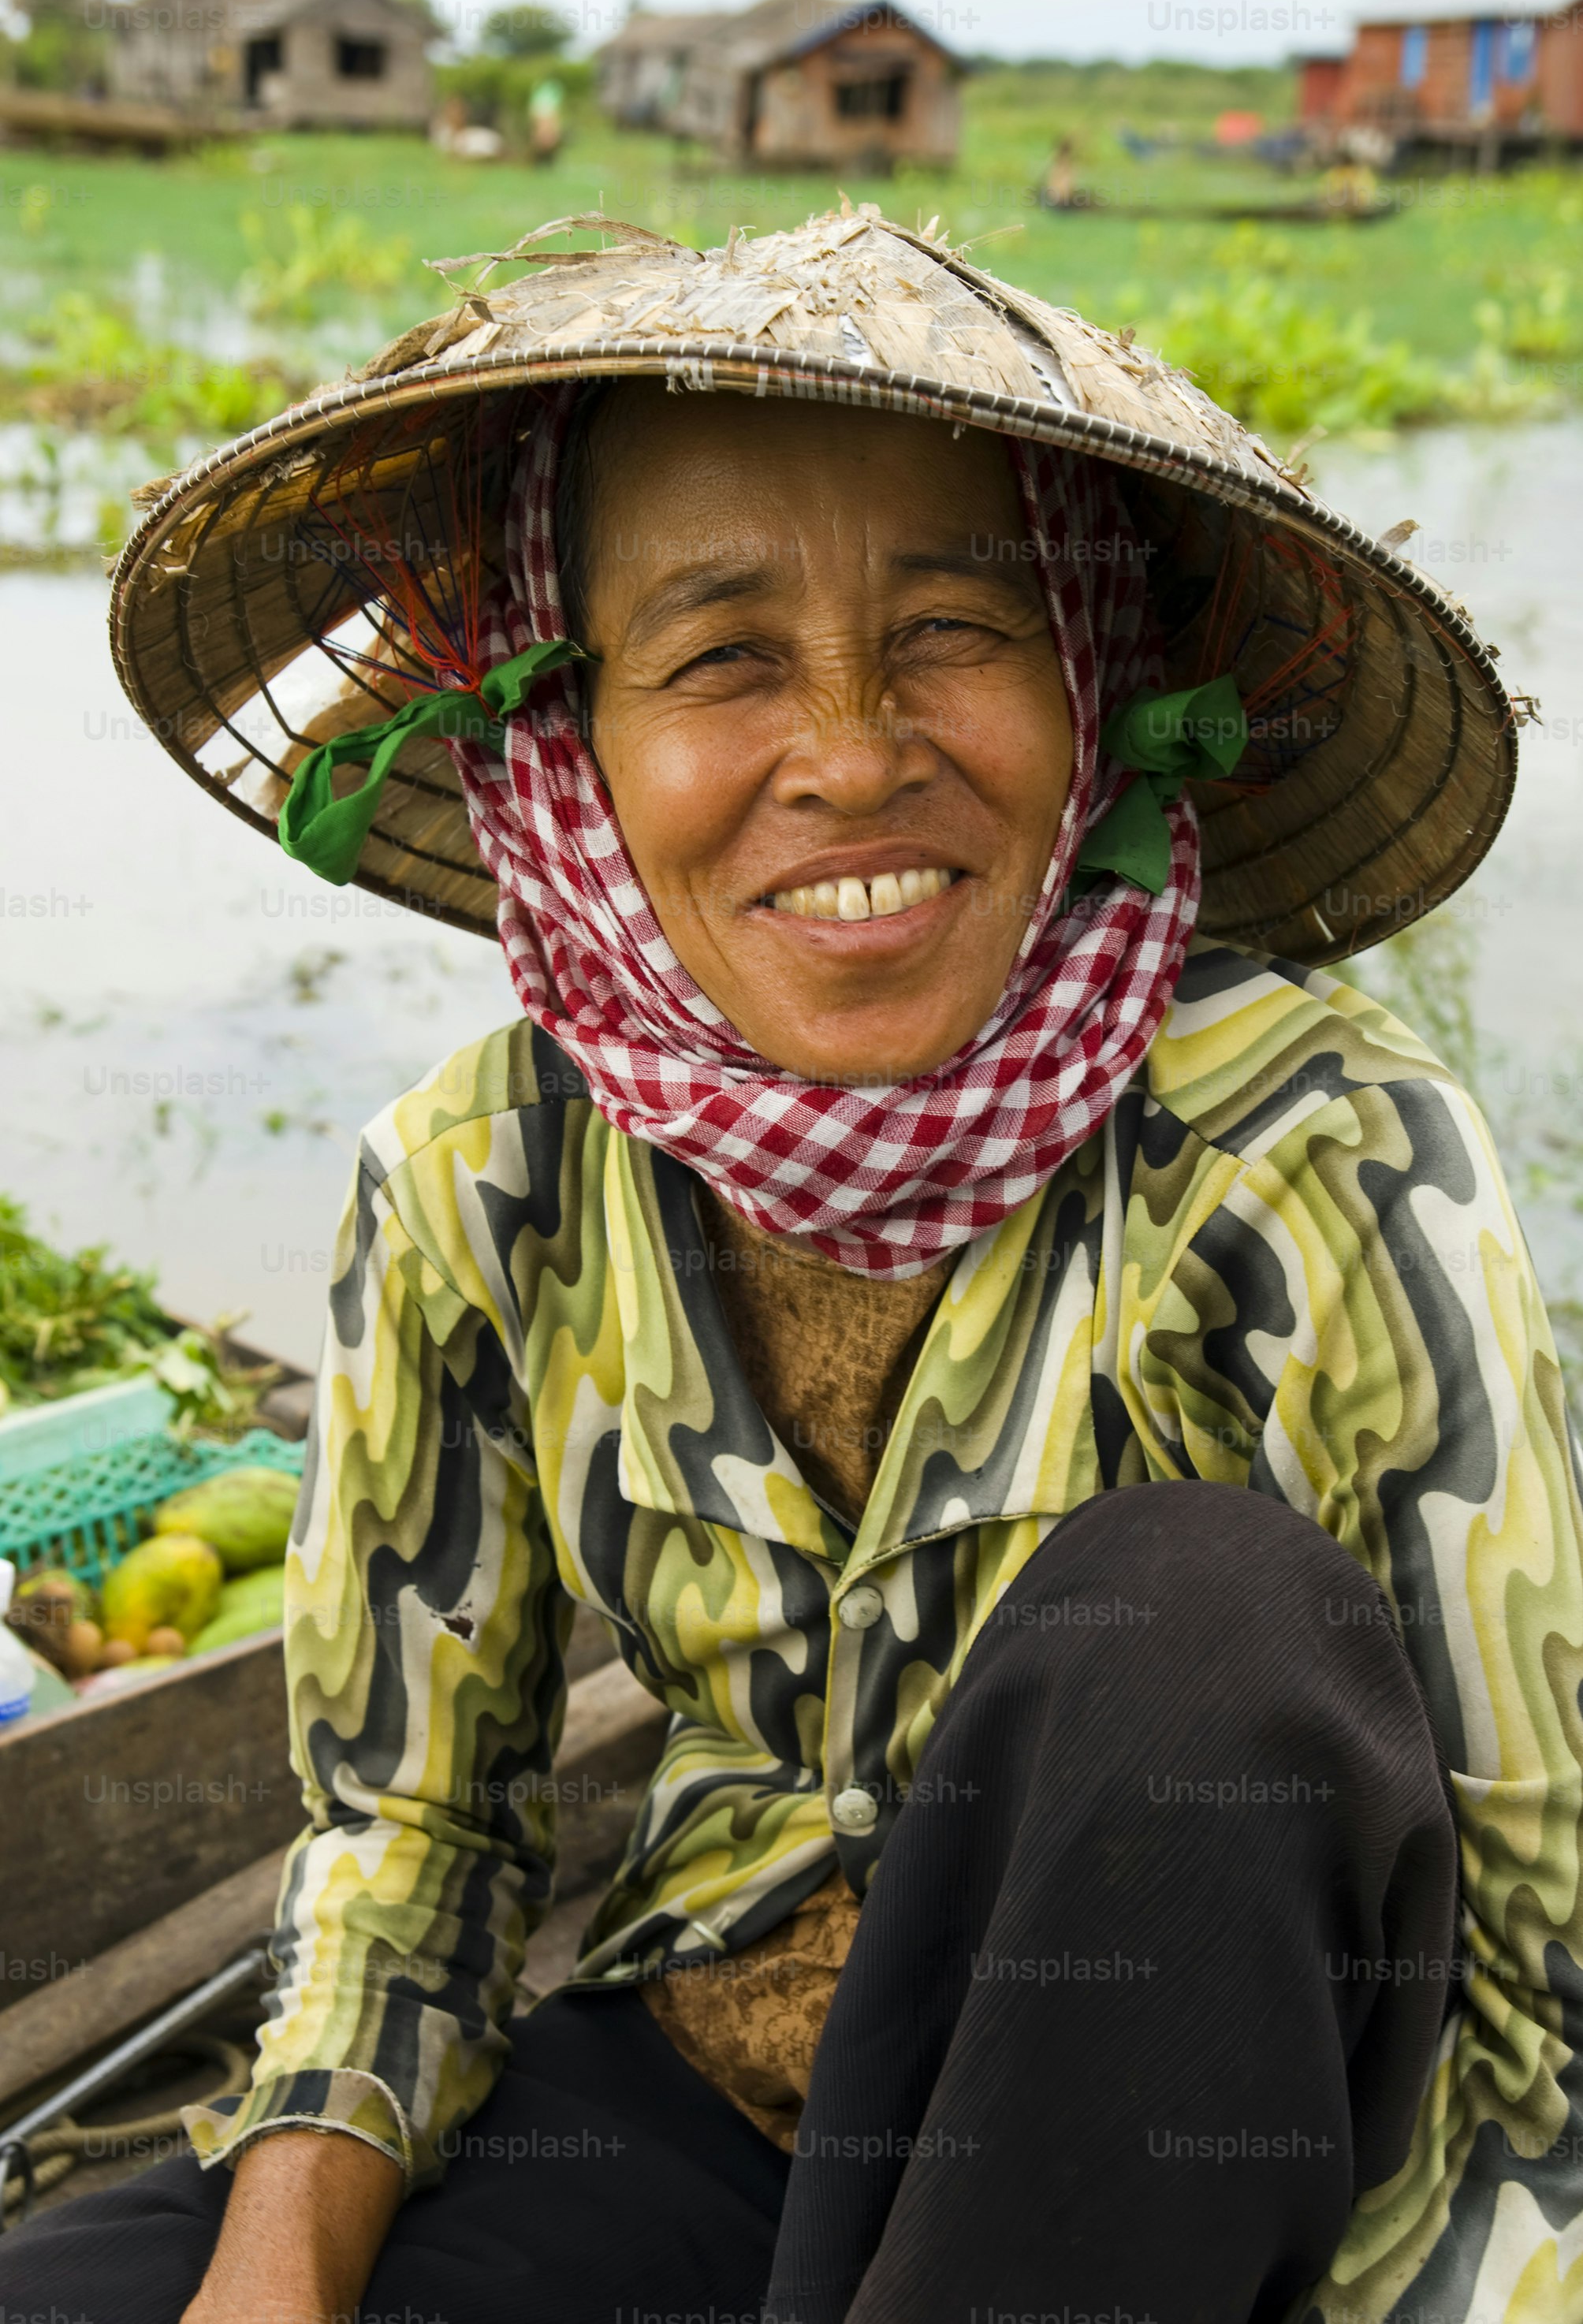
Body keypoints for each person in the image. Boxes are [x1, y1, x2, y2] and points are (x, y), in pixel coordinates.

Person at [8, 206, 1580, 2323]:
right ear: (569, 740)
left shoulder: (1316, 1155)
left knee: (1203, 1623)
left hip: (1182, 2183)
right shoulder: (488, 1182)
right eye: (722, 653)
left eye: (955, 630)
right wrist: (269, 2277)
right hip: (721, 2116)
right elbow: (418, 1854)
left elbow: (1525, 1990)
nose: (847, 751)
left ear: (1093, 681)